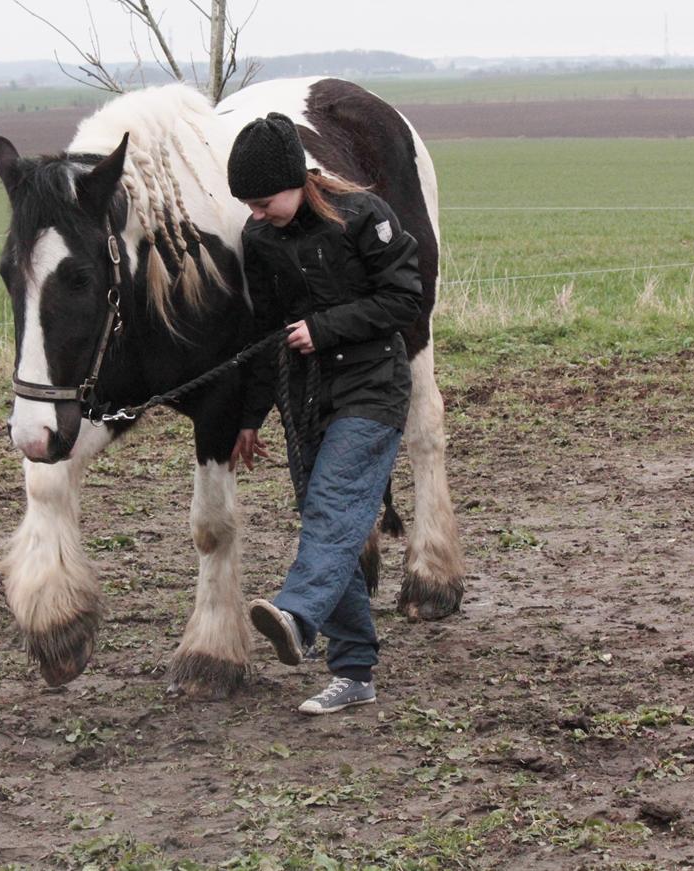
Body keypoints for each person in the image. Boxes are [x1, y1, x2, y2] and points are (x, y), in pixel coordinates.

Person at [226, 112, 423, 715]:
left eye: (264, 201)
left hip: (373, 387)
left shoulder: (366, 216)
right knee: (326, 523)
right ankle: (355, 671)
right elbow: (265, 335)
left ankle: (297, 616)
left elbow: (405, 300)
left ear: (296, 179)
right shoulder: (258, 241)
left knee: (335, 507)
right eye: (249, 204)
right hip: (305, 396)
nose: (256, 214)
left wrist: (325, 326)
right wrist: (249, 417)